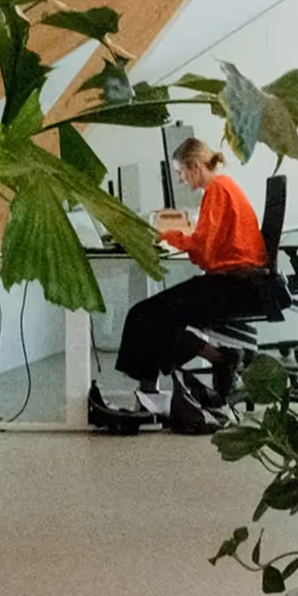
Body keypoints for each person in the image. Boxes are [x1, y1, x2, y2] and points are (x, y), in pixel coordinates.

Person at [115, 137, 276, 413]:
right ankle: (211, 361)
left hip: (233, 285)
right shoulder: (225, 186)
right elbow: (207, 244)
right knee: (152, 314)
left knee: (147, 314)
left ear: (194, 166)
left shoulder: (216, 189)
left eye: (180, 172)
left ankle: (151, 393)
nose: (180, 180)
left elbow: (203, 250)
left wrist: (164, 237)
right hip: (242, 283)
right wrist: (176, 238)